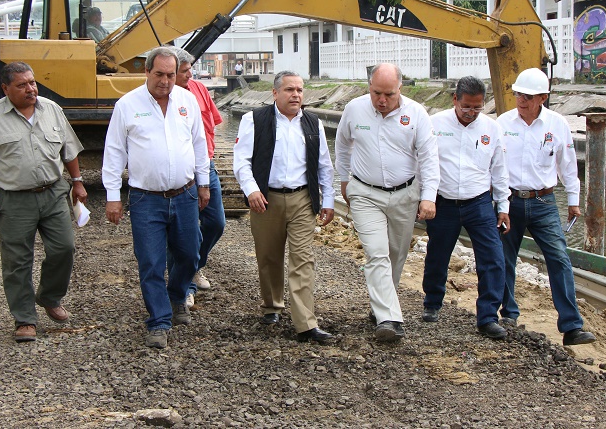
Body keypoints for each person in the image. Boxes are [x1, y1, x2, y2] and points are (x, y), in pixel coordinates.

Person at [0, 61, 87, 343]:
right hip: (15, 200)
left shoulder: (51, 109)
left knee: (64, 248)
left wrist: (77, 182)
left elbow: (69, 149)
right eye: (22, 85)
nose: (30, 89)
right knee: (17, 261)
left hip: (54, 193)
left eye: (32, 82)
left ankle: (49, 297)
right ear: (6, 88)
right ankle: (24, 319)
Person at [102, 46, 210, 350]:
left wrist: (204, 185)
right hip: (145, 198)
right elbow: (114, 152)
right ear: (146, 72)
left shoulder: (187, 101)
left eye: (171, 74)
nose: (165, 80)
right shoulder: (127, 105)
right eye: (159, 74)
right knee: (150, 262)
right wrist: (112, 195)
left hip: (186, 193)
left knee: (190, 253)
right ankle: (159, 321)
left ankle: (177, 296)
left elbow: (199, 145)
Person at [335, 63, 440, 342]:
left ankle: (381, 303)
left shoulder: (417, 114)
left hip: (405, 194)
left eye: (389, 94)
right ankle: (389, 318)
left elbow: (429, 157)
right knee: (377, 253)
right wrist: (344, 179)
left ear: (400, 89)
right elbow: (342, 144)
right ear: (369, 87)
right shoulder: (354, 109)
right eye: (376, 93)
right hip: (365, 193)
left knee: (396, 254)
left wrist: (429, 196)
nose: (382, 100)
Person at [233, 71, 336, 344]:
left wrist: (327, 200)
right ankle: (272, 306)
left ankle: (305, 323)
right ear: (275, 93)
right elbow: (241, 161)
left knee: (303, 260)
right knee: (269, 258)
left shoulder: (314, 123)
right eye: (290, 90)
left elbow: (324, 165)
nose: (296, 95)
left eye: (300, 90)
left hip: (303, 199)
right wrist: (252, 190)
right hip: (266, 200)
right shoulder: (253, 120)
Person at [497, 67, 596, 346]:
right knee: (505, 257)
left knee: (559, 258)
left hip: (543, 201)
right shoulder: (503, 124)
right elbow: (494, 165)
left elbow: (567, 165)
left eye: (528, 96)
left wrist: (574, 202)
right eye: (518, 94)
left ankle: (571, 326)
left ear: (542, 97)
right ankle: (509, 315)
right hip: (510, 200)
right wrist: (498, 203)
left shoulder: (557, 125)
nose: (521, 100)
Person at [421, 76, 510, 340]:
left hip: (479, 202)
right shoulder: (434, 124)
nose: (471, 113)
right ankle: (432, 302)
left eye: (477, 108)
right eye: (466, 107)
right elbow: (422, 162)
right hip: (443, 202)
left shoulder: (491, 129)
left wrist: (503, 205)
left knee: (493, 258)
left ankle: (487, 316)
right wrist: (423, 197)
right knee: (438, 254)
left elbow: (500, 170)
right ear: (455, 100)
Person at [168, 48, 226, 307]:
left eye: (191, 69)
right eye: (184, 71)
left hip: (206, 166)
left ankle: (193, 267)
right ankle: (184, 285)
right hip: (180, 172)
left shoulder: (198, 89)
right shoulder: (164, 97)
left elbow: (212, 122)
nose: (190, 74)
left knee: (215, 223)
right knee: (181, 231)